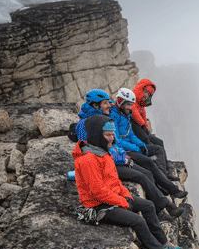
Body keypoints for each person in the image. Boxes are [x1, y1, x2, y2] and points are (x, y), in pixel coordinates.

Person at [72, 114, 182, 249]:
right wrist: (122, 201)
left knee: (148, 205)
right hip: (98, 206)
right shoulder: (88, 160)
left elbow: (115, 181)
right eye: (108, 135)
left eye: (112, 134)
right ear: (97, 135)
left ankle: (164, 242)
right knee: (138, 221)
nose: (112, 138)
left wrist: (126, 195)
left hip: (112, 197)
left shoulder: (103, 152)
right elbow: (97, 192)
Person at [76, 89, 184, 221]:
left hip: (115, 161)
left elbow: (115, 143)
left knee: (147, 173)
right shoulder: (84, 125)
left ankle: (165, 208)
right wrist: (123, 159)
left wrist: (125, 156)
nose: (110, 105)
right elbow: (96, 151)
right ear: (95, 105)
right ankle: (165, 208)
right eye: (105, 103)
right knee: (142, 176)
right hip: (105, 167)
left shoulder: (104, 119)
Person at [110, 87, 187, 200]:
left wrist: (141, 145)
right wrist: (136, 148)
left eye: (131, 105)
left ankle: (163, 180)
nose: (130, 108)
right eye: (128, 105)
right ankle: (171, 189)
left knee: (157, 150)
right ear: (121, 101)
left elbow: (130, 134)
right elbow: (117, 140)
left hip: (130, 148)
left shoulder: (124, 115)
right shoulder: (113, 116)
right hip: (124, 151)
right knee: (148, 162)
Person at [130, 79, 174, 176]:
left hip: (140, 131)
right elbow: (133, 111)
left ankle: (166, 168)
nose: (146, 95)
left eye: (149, 94)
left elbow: (143, 117)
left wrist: (146, 129)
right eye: (145, 91)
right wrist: (143, 126)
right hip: (134, 133)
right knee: (155, 146)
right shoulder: (131, 99)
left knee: (159, 142)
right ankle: (163, 173)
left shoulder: (141, 104)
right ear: (140, 88)